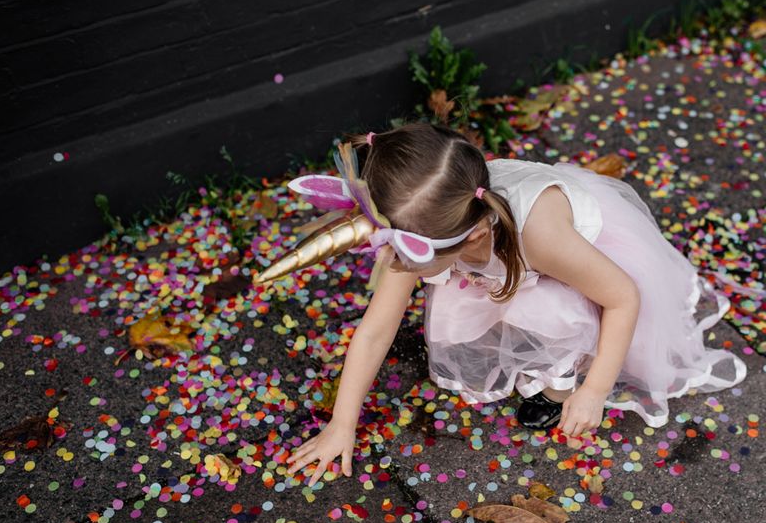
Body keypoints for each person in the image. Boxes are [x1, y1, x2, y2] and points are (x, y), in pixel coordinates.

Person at [286, 122, 748, 486]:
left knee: (550, 311)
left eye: (403, 254)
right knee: (469, 306)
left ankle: (561, 385)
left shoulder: (541, 236)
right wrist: (342, 422)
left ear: (478, 233)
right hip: (496, 261)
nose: (388, 261)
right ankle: (512, 316)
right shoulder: (423, 223)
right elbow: (375, 329)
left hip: (568, 259)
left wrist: (593, 392)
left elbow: (624, 297)